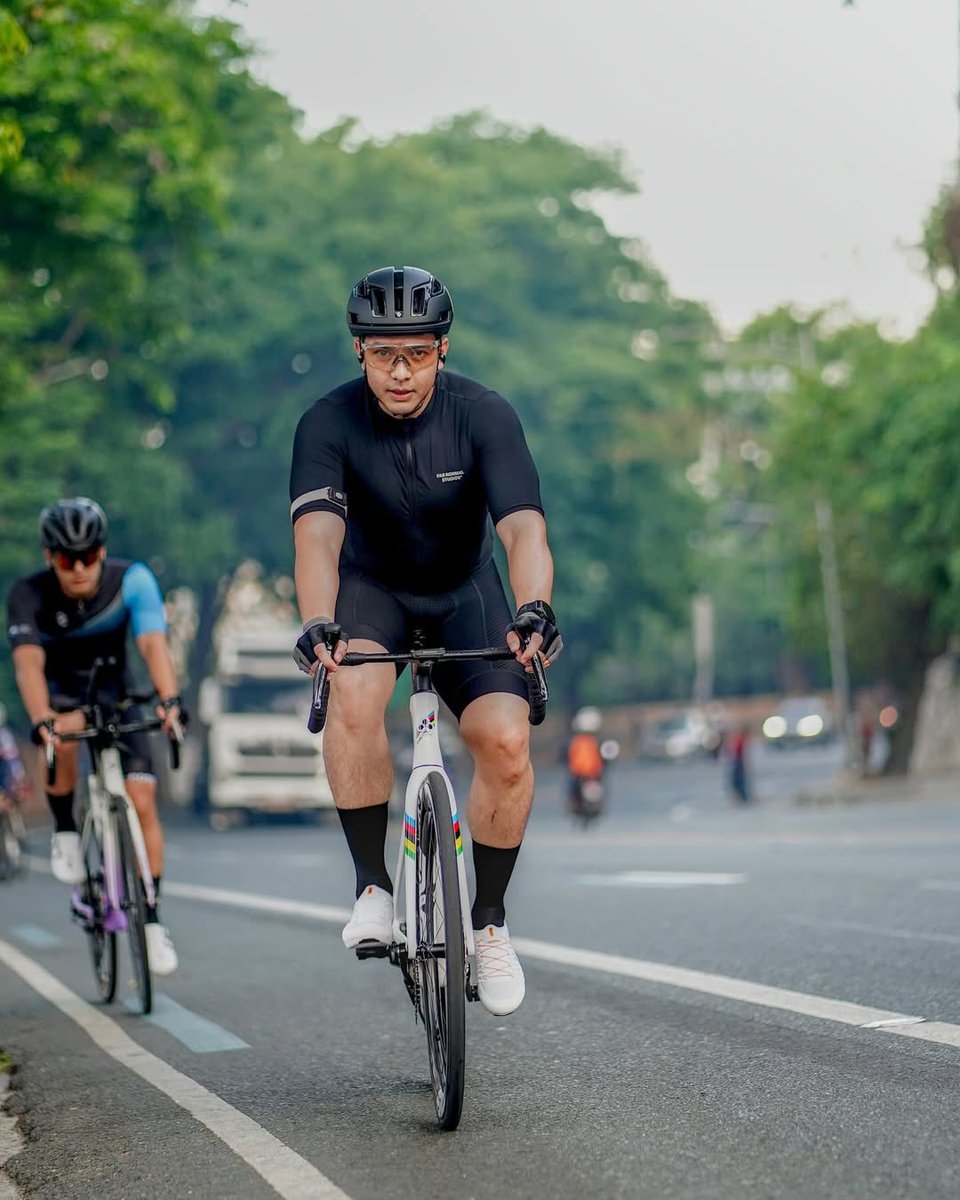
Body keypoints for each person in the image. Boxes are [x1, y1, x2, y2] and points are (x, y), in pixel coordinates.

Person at [289, 265, 562, 1017]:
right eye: (384, 354)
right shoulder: (326, 423)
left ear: (443, 348)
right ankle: (373, 888)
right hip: (370, 592)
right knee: (352, 689)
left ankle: (490, 924)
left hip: (464, 594)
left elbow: (523, 528)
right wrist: (317, 620)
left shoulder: (484, 414)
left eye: (416, 353)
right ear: (360, 352)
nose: (400, 371)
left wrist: (534, 607)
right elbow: (317, 538)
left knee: (505, 741)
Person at [6, 497, 183, 974]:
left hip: (118, 698)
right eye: (68, 560)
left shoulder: (133, 579)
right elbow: (28, 665)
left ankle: (152, 921)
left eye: (88, 556)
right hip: (63, 701)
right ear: (50, 557)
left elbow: (152, 642)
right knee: (59, 738)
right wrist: (42, 718)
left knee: (142, 802)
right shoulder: (27, 595)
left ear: (102, 551)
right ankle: (66, 828)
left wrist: (169, 700)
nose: (80, 568)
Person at [566, 706, 605, 817]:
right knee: (571, 786)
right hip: (581, 774)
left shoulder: (595, 742)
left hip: (592, 773)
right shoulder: (578, 742)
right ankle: (573, 802)